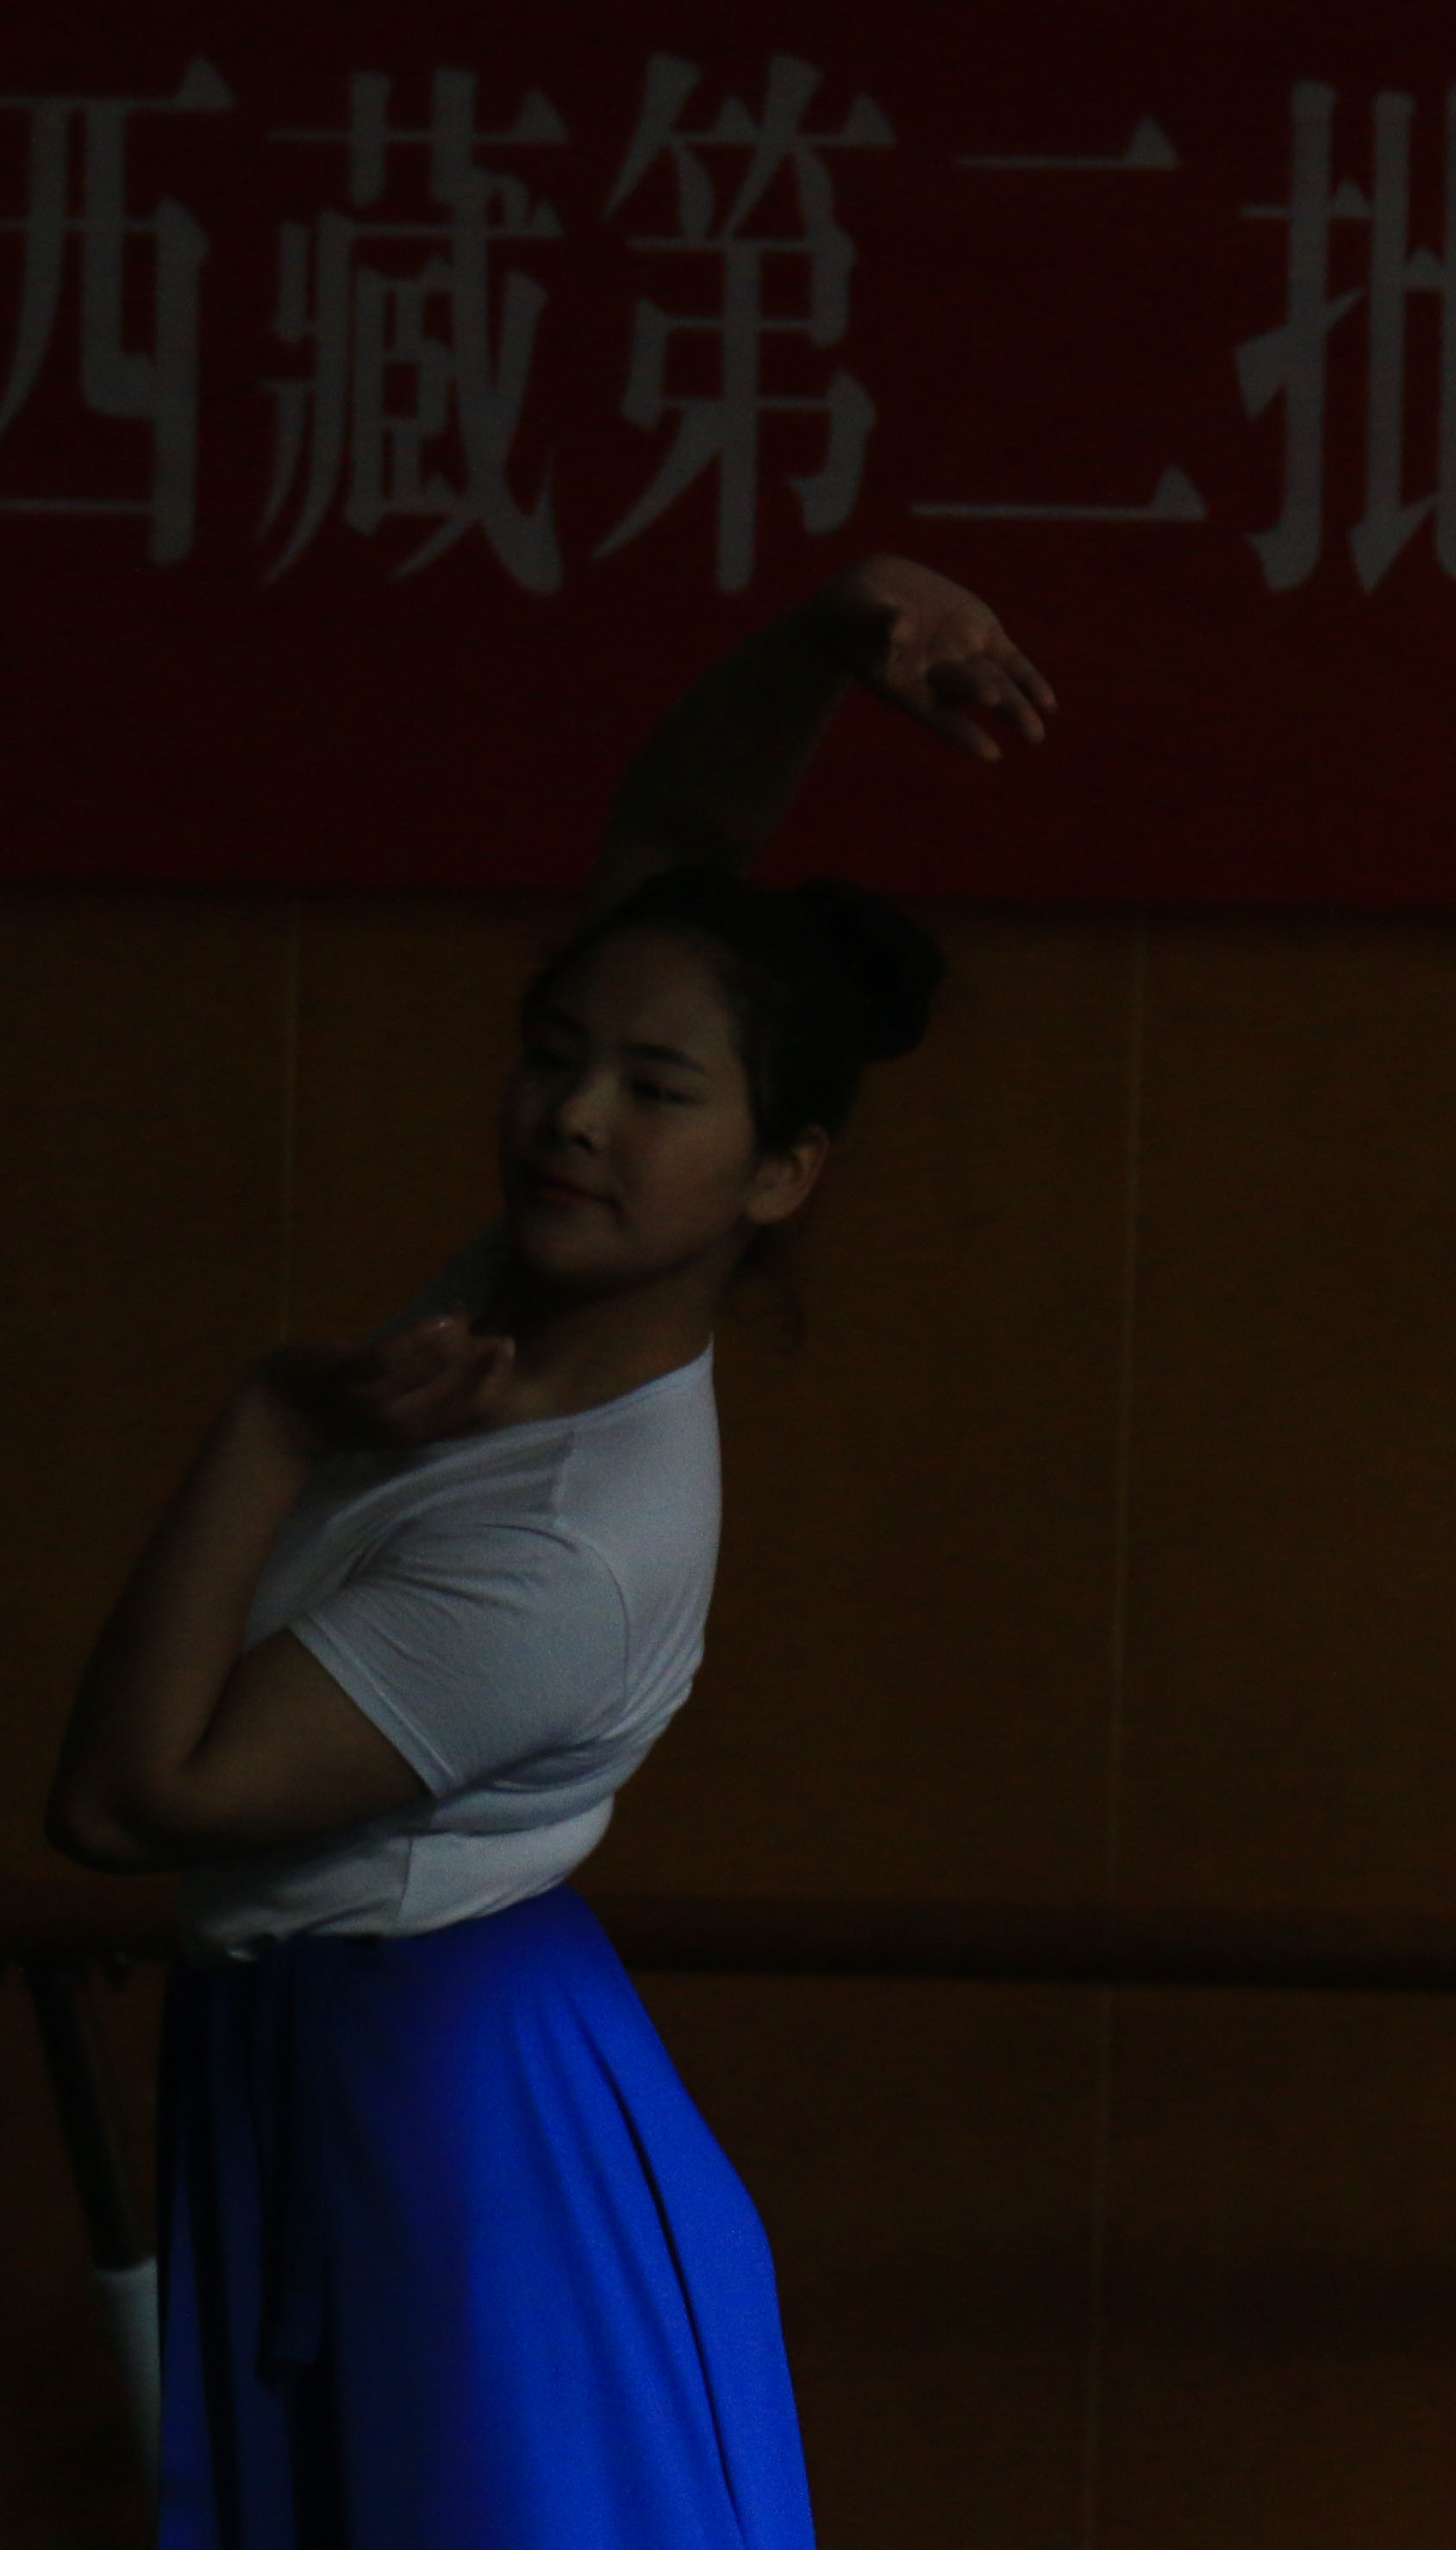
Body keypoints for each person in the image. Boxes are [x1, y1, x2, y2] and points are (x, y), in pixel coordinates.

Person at [45, 555, 1048, 2549]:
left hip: (445, 2117)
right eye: (551, 1053)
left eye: (654, 1092)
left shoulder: (579, 1548)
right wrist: (822, 642)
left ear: (779, 1173)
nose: (575, 1115)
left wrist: (270, 1424)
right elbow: (675, 835)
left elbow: (122, 1800)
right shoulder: (524, 1286)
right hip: (357, 2060)